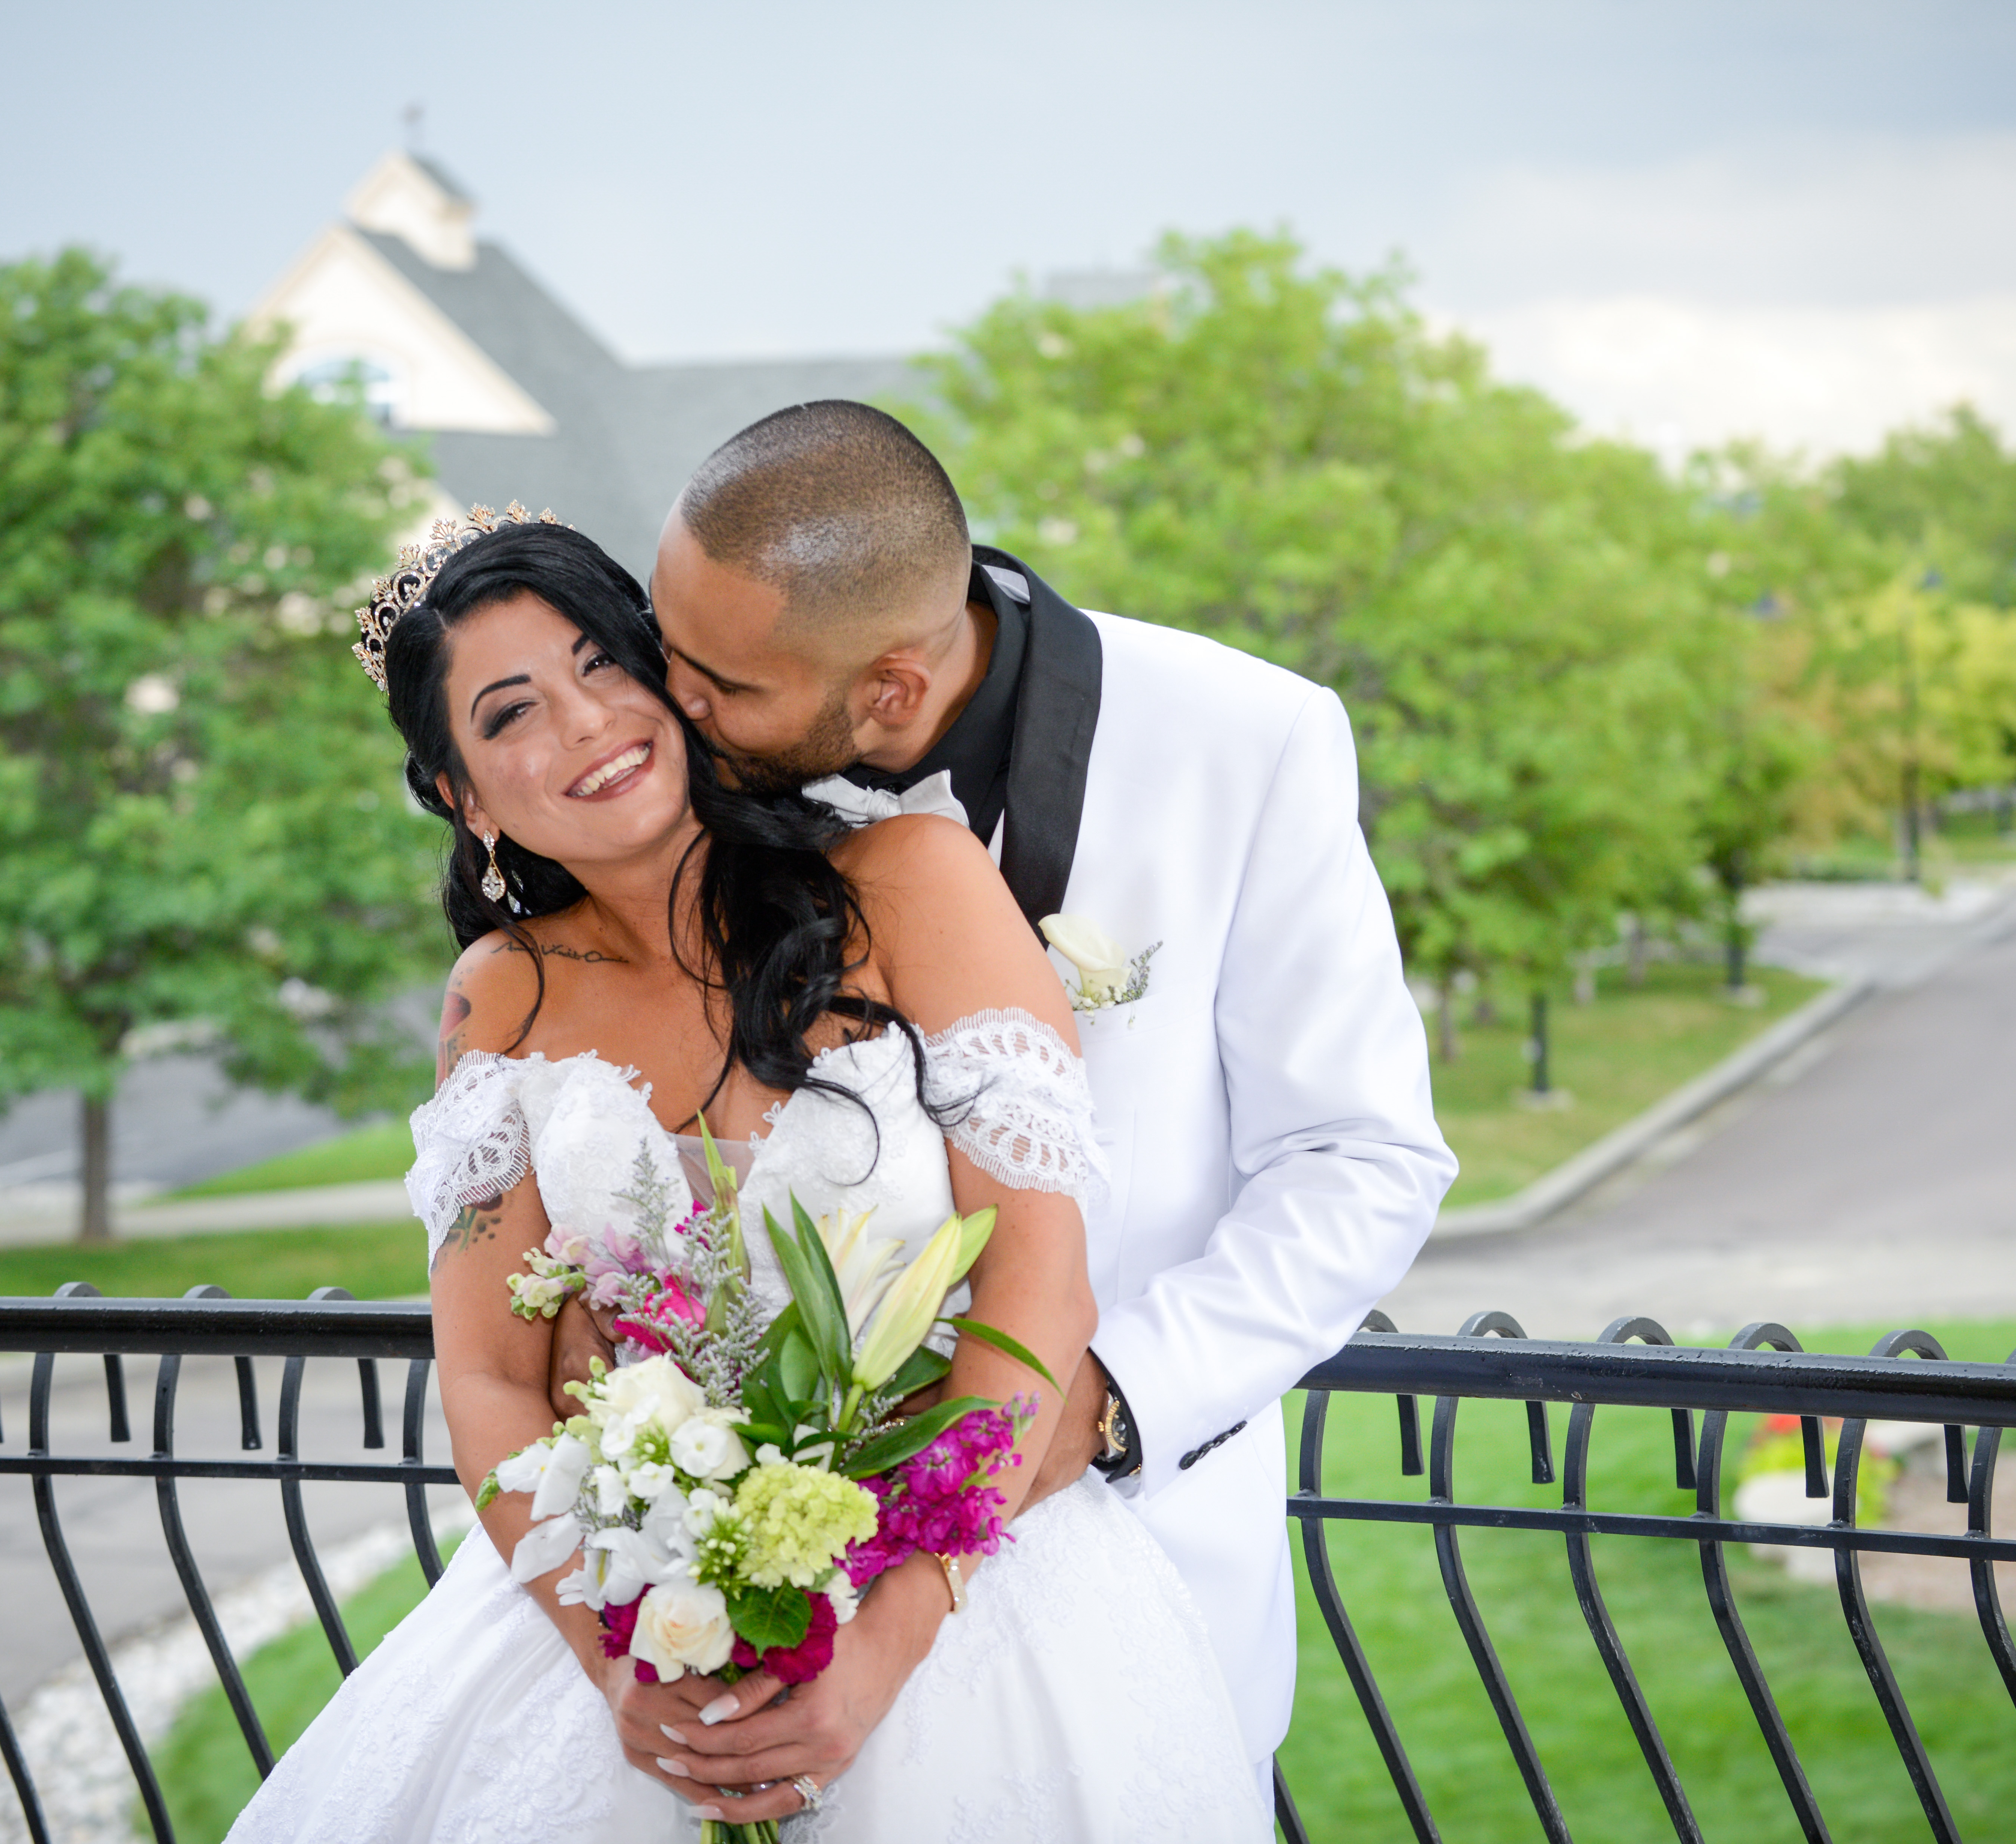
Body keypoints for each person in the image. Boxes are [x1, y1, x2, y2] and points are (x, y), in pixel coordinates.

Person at [229, 512, 1269, 1840]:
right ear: (463, 798)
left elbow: (1039, 1284)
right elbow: (492, 1375)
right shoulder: (500, 998)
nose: (591, 723)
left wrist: (889, 1643)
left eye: (603, 662)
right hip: (637, 1625)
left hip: (975, 1593)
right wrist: (618, 1651)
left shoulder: (908, 882)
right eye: (513, 715)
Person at [550, 401, 1455, 1806]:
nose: (667, 702)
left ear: (893, 693)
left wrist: (1108, 1401)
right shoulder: (704, 770)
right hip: (748, 1607)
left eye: (715, 679)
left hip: (1124, 1589)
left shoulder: (1250, 739)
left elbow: (1364, 1158)